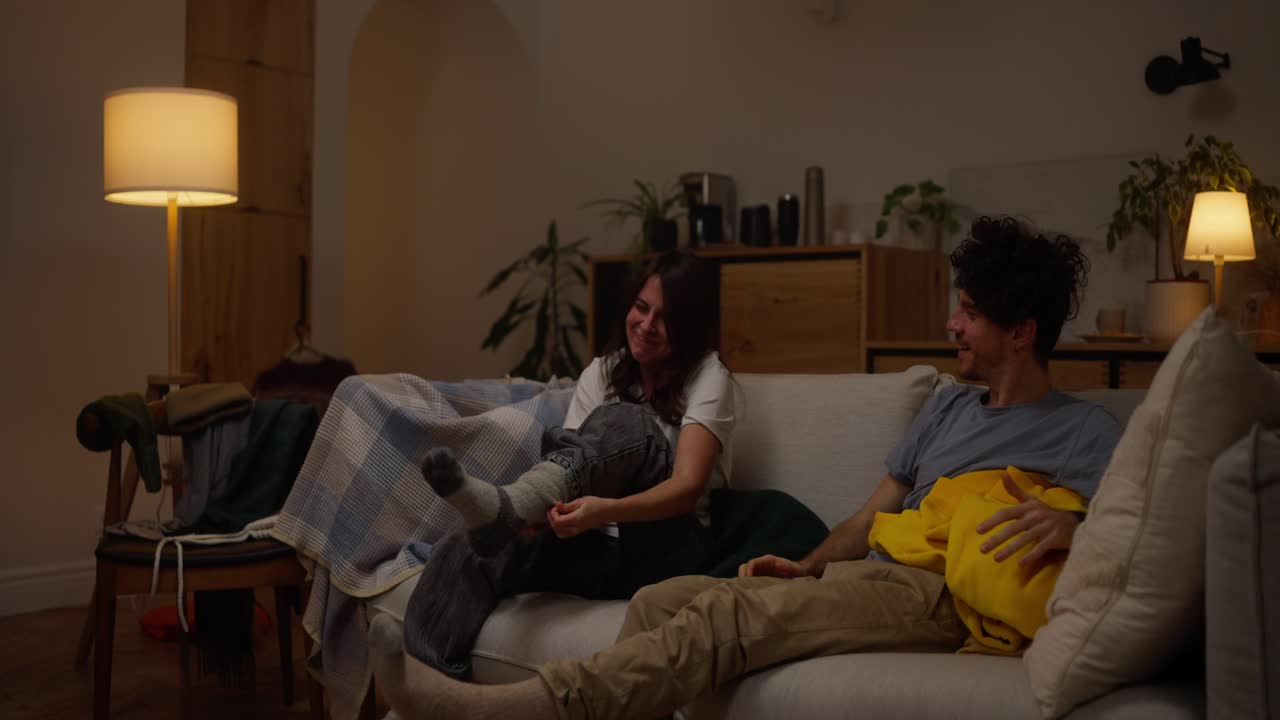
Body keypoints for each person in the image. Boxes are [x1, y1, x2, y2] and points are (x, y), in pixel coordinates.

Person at [369, 216, 1125, 720]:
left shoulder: (1083, 431)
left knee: (728, 615)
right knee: (662, 603)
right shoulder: (949, 409)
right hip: (876, 572)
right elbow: (869, 518)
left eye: (970, 313)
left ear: (1021, 332)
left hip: (941, 591)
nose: (952, 324)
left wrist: (1075, 526)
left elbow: (1135, 534)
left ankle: (504, 709)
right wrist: (810, 566)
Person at [403, 249, 737, 678]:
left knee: (629, 422)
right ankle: (427, 690)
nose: (647, 325)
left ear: (689, 327)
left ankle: (515, 503)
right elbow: (572, 470)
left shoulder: (709, 375)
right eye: (641, 307)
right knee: (472, 543)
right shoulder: (602, 372)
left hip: (668, 549)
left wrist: (605, 510)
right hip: (593, 546)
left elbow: (687, 487)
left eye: (666, 318)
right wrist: (541, 518)